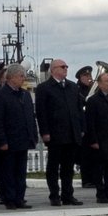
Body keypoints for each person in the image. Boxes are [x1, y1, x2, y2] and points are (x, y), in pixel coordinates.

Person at [35, 58, 84, 206]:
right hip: (55, 134)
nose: (65, 69)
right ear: (54, 69)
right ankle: (54, 195)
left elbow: (78, 110)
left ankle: (68, 195)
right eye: (63, 67)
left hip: (71, 133)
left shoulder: (72, 87)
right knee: (53, 167)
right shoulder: (44, 88)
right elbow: (41, 112)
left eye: (66, 67)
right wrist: (45, 132)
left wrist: (81, 128)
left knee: (68, 168)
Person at [0, 63, 37, 209]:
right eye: (21, 76)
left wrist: (32, 136)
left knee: (20, 172)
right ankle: (9, 199)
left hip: (23, 140)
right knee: (8, 172)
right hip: (8, 142)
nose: (24, 79)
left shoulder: (25, 95)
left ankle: (19, 198)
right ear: (11, 77)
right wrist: (1, 141)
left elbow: (30, 117)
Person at [84, 70, 108, 203]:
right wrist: (93, 140)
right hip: (100, 141)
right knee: (99, 169)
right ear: (99, 84)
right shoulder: (93, 101)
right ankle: (100, 194)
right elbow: (90, 123)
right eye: (107, 81)